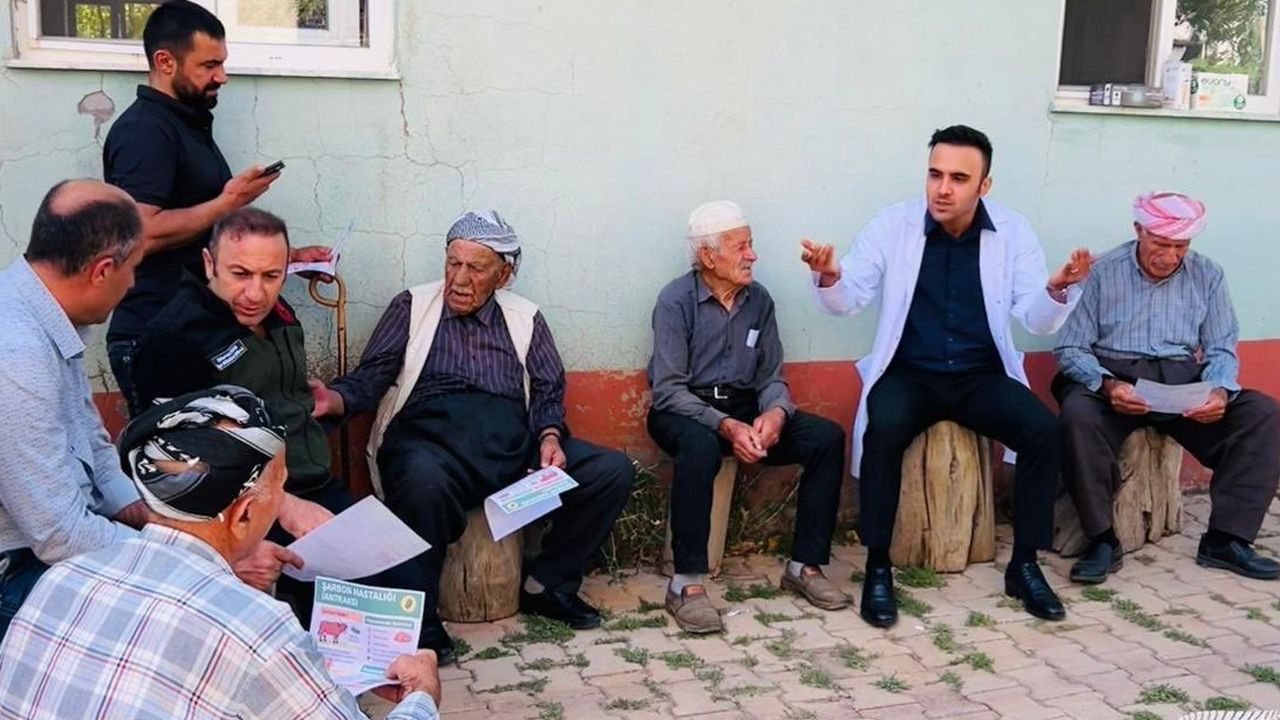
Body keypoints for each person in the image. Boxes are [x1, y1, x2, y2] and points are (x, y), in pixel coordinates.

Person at [0, 386, 442, 719]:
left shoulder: (62, 579)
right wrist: (422, 695)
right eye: (281, 486)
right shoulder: (257, 630)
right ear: (245, 513)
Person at [801, 125, 1093, 627]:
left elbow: (1035, 318)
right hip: (909, 373)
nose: (942, 188)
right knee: (883, 430)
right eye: (935, 174)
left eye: (959, 178)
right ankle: (877, 567)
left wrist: (1057, 290)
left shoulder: (1013, 231)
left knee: (1044, 431)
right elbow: (849, 297)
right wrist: (830, 275)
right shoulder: (893, 225)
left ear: (984, 186)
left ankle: (1024, 564)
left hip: (980, 375)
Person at [310, 210, 634, 661]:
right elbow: (372, 376)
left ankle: (549, 584)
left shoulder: (525, 318)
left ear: (504, 275)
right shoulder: (412, 306)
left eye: (476, 268)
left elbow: (547, 390)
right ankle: (420, 620)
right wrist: (334, 400)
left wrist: (549, 437)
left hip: (508, 450)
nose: (459, 280)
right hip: (429, 445)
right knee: (421, 486)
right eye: (453, 263)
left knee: (609, 471)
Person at [129, 207, 432, 655]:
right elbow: (170, 462)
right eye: (240, 274)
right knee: (337, 620)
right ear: (210, 264)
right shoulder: (174, 338)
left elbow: (277, 388)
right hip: (236, 510)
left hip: (311, 484)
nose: (256, 293)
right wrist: (269, 518)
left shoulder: (279, 312)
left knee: (409, 584)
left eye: (271, 275)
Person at [103, 0, 327, 415]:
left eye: (222, 63)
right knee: (184, 454)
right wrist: (230, 201)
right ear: (165, 62)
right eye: (209, 65)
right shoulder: (145, 131)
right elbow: (140, 234)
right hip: (156, 336)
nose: (222, 76)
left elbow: (203, 232)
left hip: (195, 330)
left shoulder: (186, 124)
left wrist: (288, 259)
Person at [1055, 192, 1280, 584]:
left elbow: (1221, 346)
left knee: (1263, 414)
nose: (1171, 256)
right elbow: (1070, 347)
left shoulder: (1208, 274)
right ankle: (1102, 539)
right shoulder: (1103, 271)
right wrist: (1108, 385)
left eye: (1181, 246)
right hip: (1114, 376)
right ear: (1139, 230)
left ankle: (1226, 539)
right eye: (1161, 243)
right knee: (1078, 416)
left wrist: (1219, 391)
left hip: (1180, 382)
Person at [646, 200, 848, 634]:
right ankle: (685, 584)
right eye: (741, 247)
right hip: (684, 409)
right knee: (700, 447)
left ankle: (805, 566)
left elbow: (771, 376)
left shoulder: (760, 300)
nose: (752, 256)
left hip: (744, 405)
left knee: (826, 438)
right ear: (708, 256)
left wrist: (774, 414)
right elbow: (668, 389)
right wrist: (725, 425)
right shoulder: (675, 301)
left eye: (750, 245)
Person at [0, 179, 151, 640]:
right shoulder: (17, 353)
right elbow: (60, 537)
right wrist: (183, 561)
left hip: (50, 542)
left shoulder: (42, 308)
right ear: (102, 270)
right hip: (17, 566)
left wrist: (152, 520)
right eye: (134, 268)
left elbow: (91, 439)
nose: (134, 283)